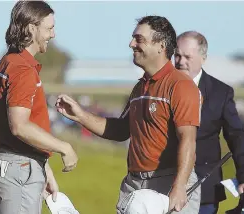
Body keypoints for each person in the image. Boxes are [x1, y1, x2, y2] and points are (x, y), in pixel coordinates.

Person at [56, 15, 202, 214]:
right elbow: (120, 130)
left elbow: (188, 140)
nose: (131, 44)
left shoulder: (181, 86)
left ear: (160, 45)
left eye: (139, 39)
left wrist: (179, 188)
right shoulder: (139, 88)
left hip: (169, 182)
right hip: (135, 183)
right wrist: (81, 115)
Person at [0, 1, 78, 213]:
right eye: (49, 28)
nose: (53, 35)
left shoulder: (8, 62)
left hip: (18, 165)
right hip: (19, 169)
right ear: (31, 28)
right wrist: (64, 147)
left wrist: (43, 167)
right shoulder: (22, 69)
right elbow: (19, 126)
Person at [175, 31, 244, 214]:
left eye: (187, 57)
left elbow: (236, 136)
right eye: (177, 55)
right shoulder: (160, 89)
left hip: (204, 190)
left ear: (203, 58)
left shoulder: (221, 93)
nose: (180, 61)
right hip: (163, 187)